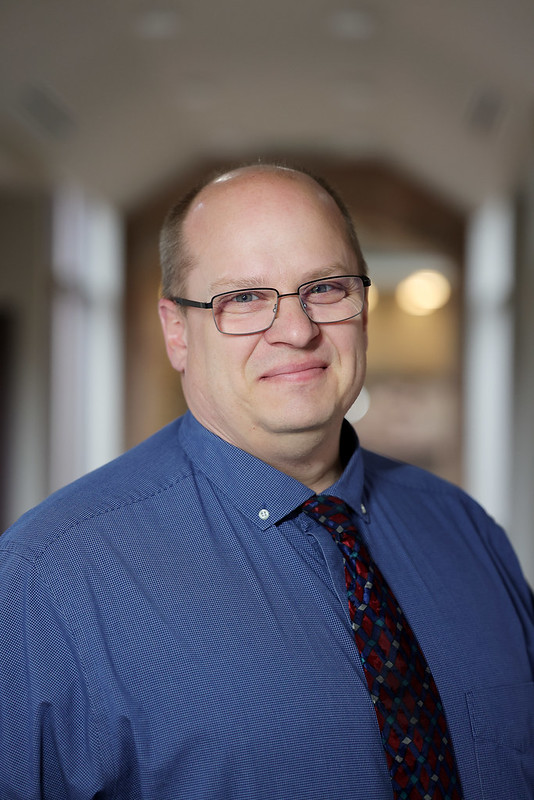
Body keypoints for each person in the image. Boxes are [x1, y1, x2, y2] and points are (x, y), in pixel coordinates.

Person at [0, 163, 533, 800]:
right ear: (177, 332)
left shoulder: (466, 531)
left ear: (362, 306)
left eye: (326, 287)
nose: (298, 330)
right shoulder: (49, 574)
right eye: (244, 299)